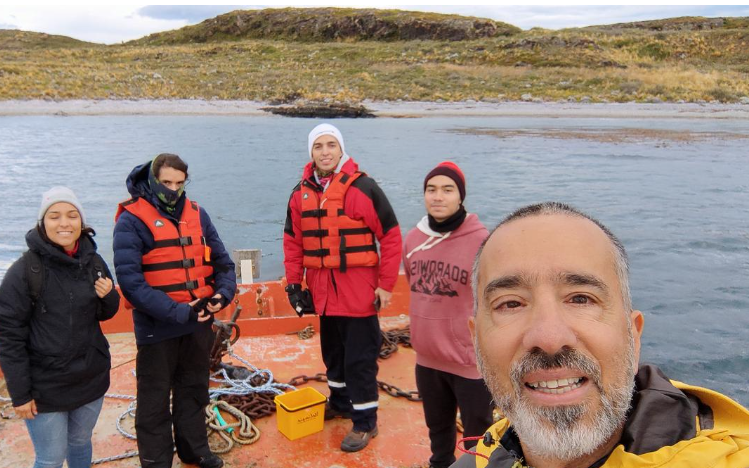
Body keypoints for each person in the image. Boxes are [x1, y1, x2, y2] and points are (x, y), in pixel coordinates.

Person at [455, 202, 749, 468]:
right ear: (476, 344)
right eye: (511, 304)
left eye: (581, 299)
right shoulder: (483, 456)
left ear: (633, 338)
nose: (549, 337)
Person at [283, 123, 402, 452]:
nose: (325, 152)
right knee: (332, 355)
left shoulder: (363, 188)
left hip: (359, 294)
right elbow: (293, 242)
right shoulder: (299, 193)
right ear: (311, 152)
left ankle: (365, 422)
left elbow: (390, 236)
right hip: (322, 295)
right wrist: (294, 285)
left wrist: (386, 285)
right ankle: (340, 402)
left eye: (331, 145)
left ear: (341, 149)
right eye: (318, 146)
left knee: (359, 360)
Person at [113, 154, 236, 468]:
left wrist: (222, 295)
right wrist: (179, 312)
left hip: (197, 324)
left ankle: (194, 450)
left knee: (194, 389)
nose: (173, 190)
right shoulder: (131, 220)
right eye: (166, 183)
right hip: (158, 328)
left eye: (179, 183)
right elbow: (131, 283)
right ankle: (156, 462)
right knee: (154, 401)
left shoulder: (198, 214)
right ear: (153, 180)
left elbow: (223, 264)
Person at [0, 186, 120, 468]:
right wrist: (20, 393)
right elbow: (8, 335)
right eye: (54, 216)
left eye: (71, 215)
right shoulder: (24, 271)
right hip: (46, 386)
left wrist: (109, 296)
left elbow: (105, 313)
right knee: (50, 458)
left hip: (90, 378)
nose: (64, 223)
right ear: (42, 223)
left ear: (82, 222)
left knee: (80, 443)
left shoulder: (93, 261)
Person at [403, 161, 493, 468]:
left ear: (460, 197)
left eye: (447, 190)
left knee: (477, 436)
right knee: (437, 429)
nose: (438, 197)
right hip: (427, 359)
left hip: (469, 363)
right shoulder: (413, 240)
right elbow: (413, 287)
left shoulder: (482, 241)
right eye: (431, 190)